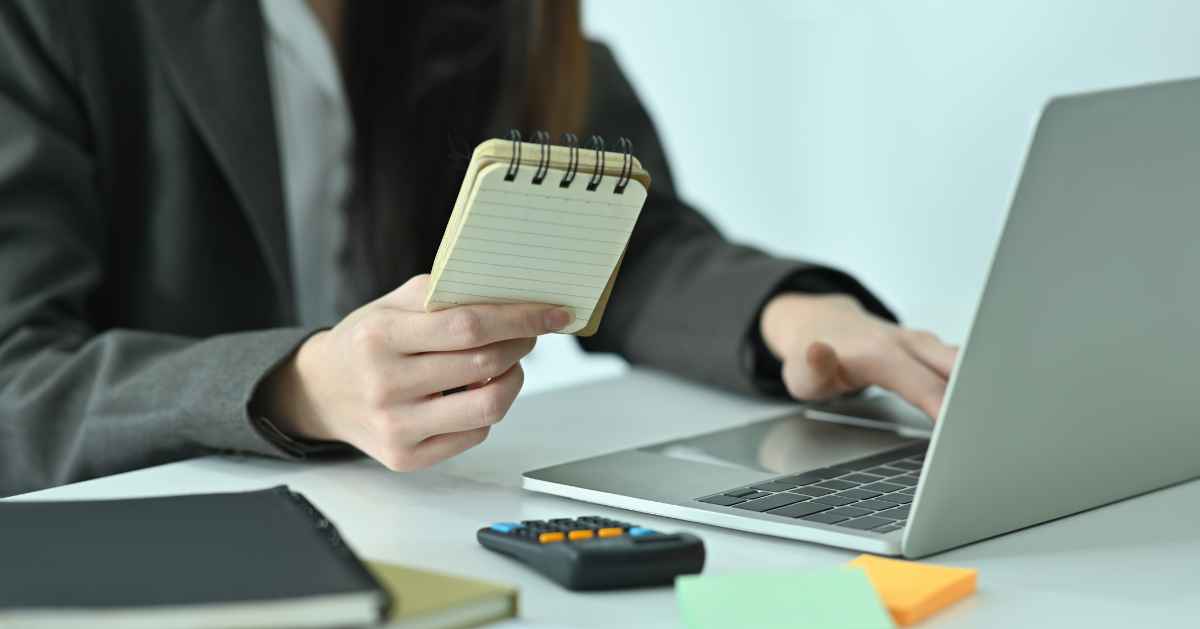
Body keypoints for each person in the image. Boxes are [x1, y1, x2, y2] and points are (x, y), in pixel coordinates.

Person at [0, 0, 957, 497]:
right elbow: (16, 379)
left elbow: (616, 227)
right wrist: (298, 387)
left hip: (411, 520)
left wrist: (791, 316)